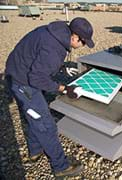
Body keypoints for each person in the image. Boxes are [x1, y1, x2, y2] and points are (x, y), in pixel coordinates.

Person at [4, 17, 94, 177]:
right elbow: (37, 79)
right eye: (84, 42)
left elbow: (40, 62)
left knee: (33, 116)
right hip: (23, 82)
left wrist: (57, 71)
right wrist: (64, 89)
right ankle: (61, 167)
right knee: (46, 125)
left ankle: (35, 151)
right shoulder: (54, 49)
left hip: (16, 71)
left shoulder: (55, 31)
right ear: (74, 37)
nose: (84, 45)